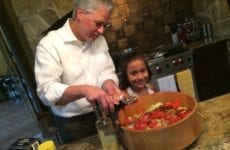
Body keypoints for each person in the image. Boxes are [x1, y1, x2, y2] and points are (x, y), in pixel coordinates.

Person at [34, 0, 121, 144]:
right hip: (74, 124)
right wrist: (83, 90)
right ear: (80, 14)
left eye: (104, 25)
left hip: (105, 114)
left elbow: (106, 71)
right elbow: (46, 91)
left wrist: (109, 84)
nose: (101, 31)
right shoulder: (49, 45)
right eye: (98, 24)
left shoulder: (99, 40)